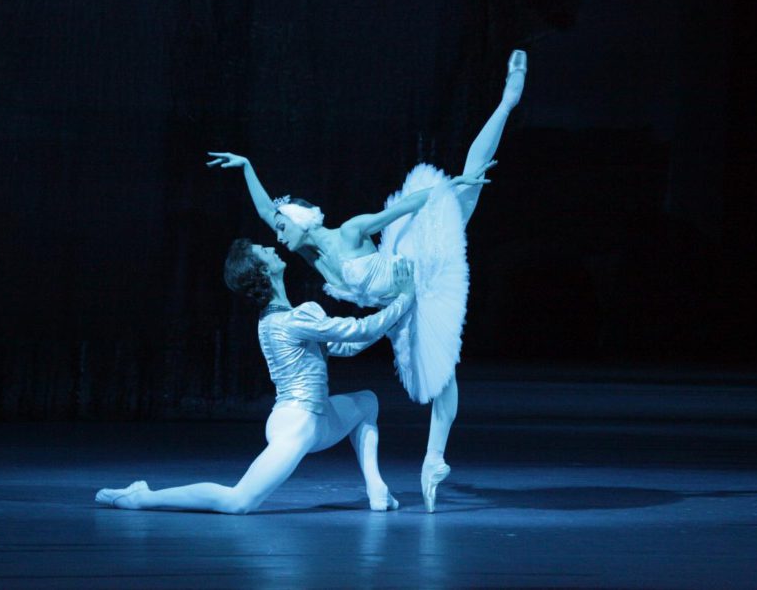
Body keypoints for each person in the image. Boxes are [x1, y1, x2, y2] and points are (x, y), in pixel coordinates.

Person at [206, 49, 526, 512]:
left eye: (281, 226)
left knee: (470, 189)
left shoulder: (350, 231)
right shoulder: (311, 254)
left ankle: (507, 101)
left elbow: (398, 210)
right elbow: (265, 209)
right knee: (435, 376)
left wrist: (445, 191)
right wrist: (248, 166)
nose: (276, 232)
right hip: (394, 305)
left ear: (300, 220)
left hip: (411, 272)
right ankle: (434, 462)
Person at [94, 240, 415, 514]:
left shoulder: (296, 316)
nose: (268, 247)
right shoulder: (288, 321)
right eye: (261, 250)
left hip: (320, 420)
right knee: (239, 501)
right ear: (262, 270)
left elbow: (346, 346)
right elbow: (360, 329)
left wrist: (392, 322)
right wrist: (404, 298)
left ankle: (377, 489)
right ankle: (142, 498)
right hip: (297, 423)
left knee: (367, 402)